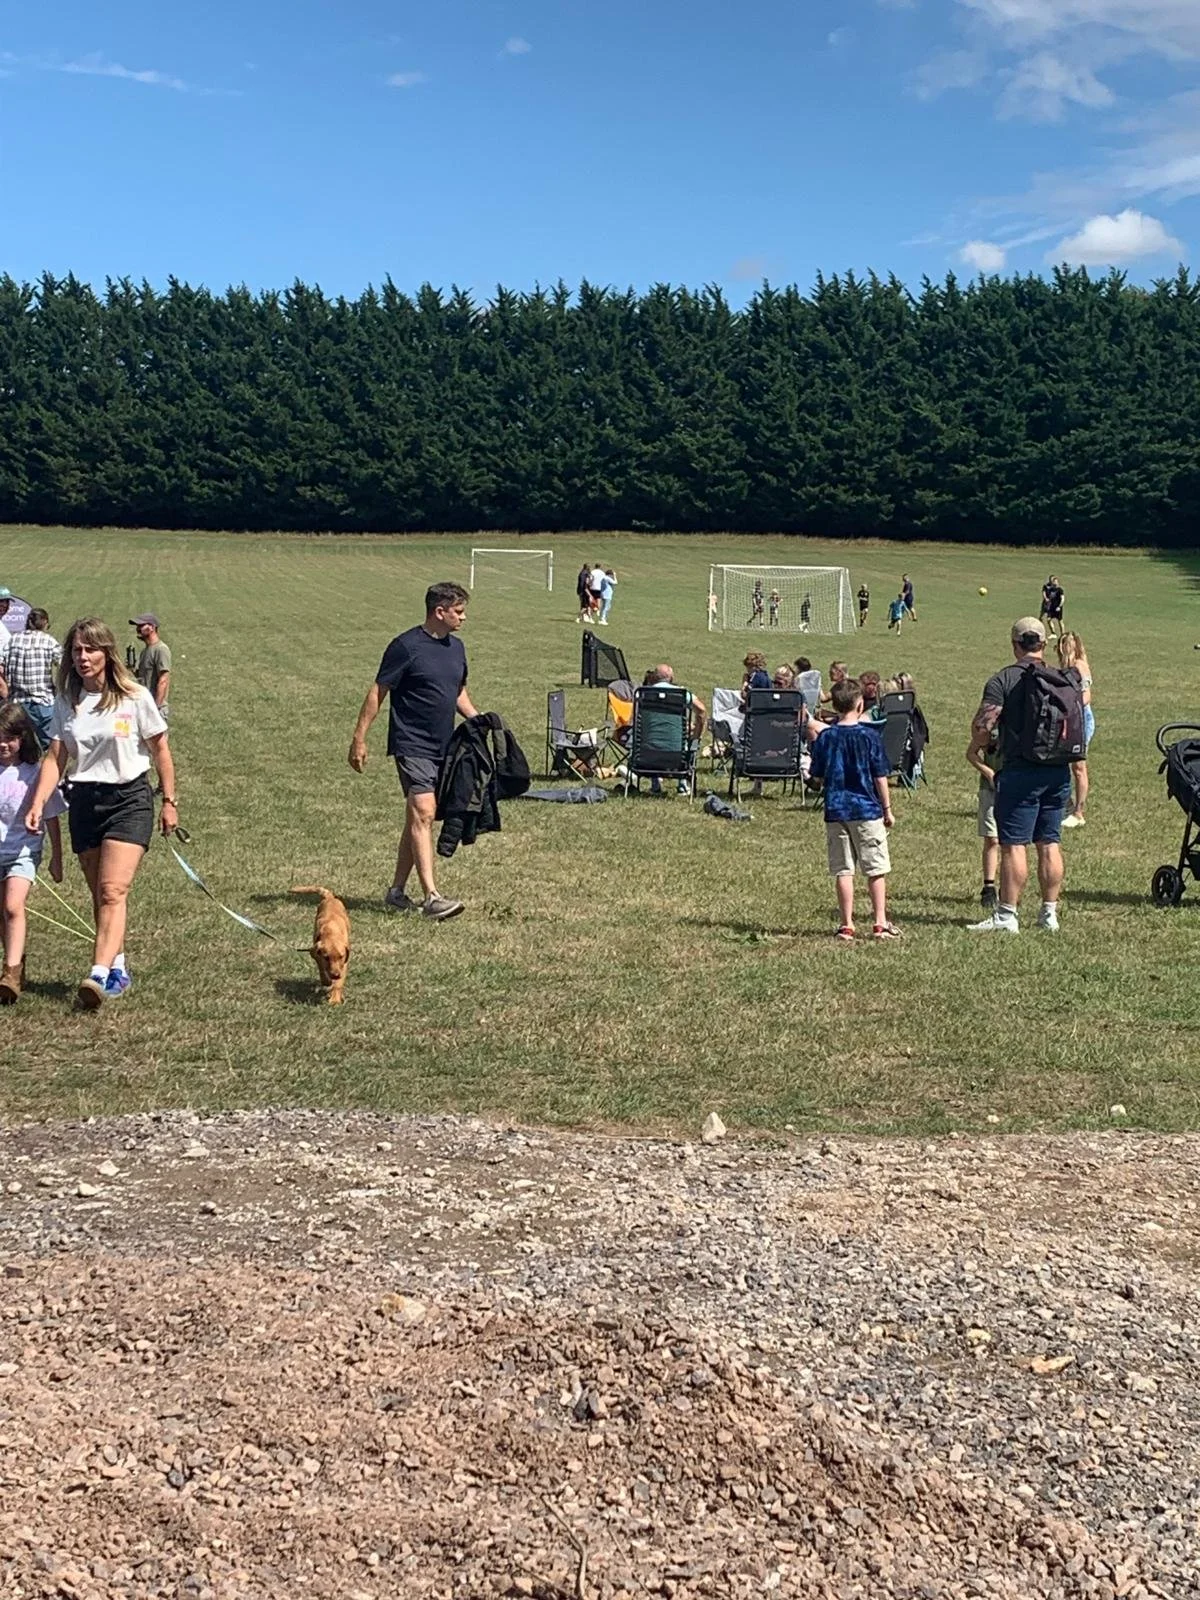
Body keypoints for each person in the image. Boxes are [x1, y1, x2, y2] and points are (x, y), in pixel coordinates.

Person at [26, 617, 178, 1009]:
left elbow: (160, 749)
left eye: (90, 649)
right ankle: (117, 964)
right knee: (99, 891)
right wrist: (39, 802)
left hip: (129, 798)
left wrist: (170, 802)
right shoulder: (68, 701)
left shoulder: (134, 696)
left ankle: (96, 974)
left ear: (107, 653)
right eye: (76, 650)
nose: (82, 657)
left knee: (113, 889)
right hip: (84, 800)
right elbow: (56, 757)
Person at [348, 582, 479, 921]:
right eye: (459, 612)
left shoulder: (457, 648)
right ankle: (432, 897)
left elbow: (457, 692)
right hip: (412, 743)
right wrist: (359, 738)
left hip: (444, 745)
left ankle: (395, 891)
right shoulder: (405, 646)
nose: (463, 618)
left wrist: (480, 721)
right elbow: (379, 691)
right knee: (424, 810)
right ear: (440, 611)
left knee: (420, 818)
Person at [966, 616, 1077, 934]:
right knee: (1049, 842)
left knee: (1014, 845)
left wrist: (980, 743)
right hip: (1057, 771)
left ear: (1014, 644)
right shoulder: (1061, 678)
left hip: (1019, 770)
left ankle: (1007, 915)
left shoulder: (1003, 680)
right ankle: (1049, 913)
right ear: (1043, 644)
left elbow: (983, 728)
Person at [808, 676, 899, 942]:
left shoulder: (826, 737)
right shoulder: (869, 736)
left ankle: (846, 924)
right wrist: (887, 809)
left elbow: (818, 774)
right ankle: (880, 922)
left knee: (843, 869)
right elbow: (880, 775)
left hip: (836, 809)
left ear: (834, 705)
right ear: (860, 705)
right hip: (866, 809)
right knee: (875, 868)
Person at [0, 703, 65, 1003]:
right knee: (3, 912)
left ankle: (11, 975)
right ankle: (14, 962)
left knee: (14, 906)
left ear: (23, 738)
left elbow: (51, 817)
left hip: (23, 852)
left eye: (10, 738)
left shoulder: (35, 774)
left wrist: (56, 858)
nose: (4, 744)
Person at [0, 608, 62, 748]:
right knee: (50, 746)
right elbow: (64, 664)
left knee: (20, 746)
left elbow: (1, 666)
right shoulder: (48, 641)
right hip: (42, 702)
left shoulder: (13, 640)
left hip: (17, 702)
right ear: (44, 622)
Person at [641, 664, 706, 796]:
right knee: (685, 744)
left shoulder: (642, 694)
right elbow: (701, 711)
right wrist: (696, 734)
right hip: (677, 755)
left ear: (654, 677)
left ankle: (655, 785)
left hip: (647, 755)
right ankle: (682, 785)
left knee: (653, 736)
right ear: (671, 677)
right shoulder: (681, 694)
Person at [1057, 631, 1094, 827]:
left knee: (1079, 767)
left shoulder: (1079, 666)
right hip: (1070, 719)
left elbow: (1087, 696)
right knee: (1064, 762)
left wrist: (1069, 704)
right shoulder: (1066, 668)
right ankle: (1068, 805)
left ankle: (1079, 813)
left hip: (1081, 719)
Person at [965, 725, 1001, 915]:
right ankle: (989, 887)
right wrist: (988, 772)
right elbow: (971, 753)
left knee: (1013, 843)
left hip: (1015, 787)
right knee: (992, 838)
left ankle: (1009, 887)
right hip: (990, 789)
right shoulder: (990, 728)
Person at [130, 613, 172, 721]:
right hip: (144, 705)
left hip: (155, 708)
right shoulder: (145, 651)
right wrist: (132, 669)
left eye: (141, 626)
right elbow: (143, 678)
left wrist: (155, 709)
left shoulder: (161, 649)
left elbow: (164, 680)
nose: (137, 629)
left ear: (152, 627)